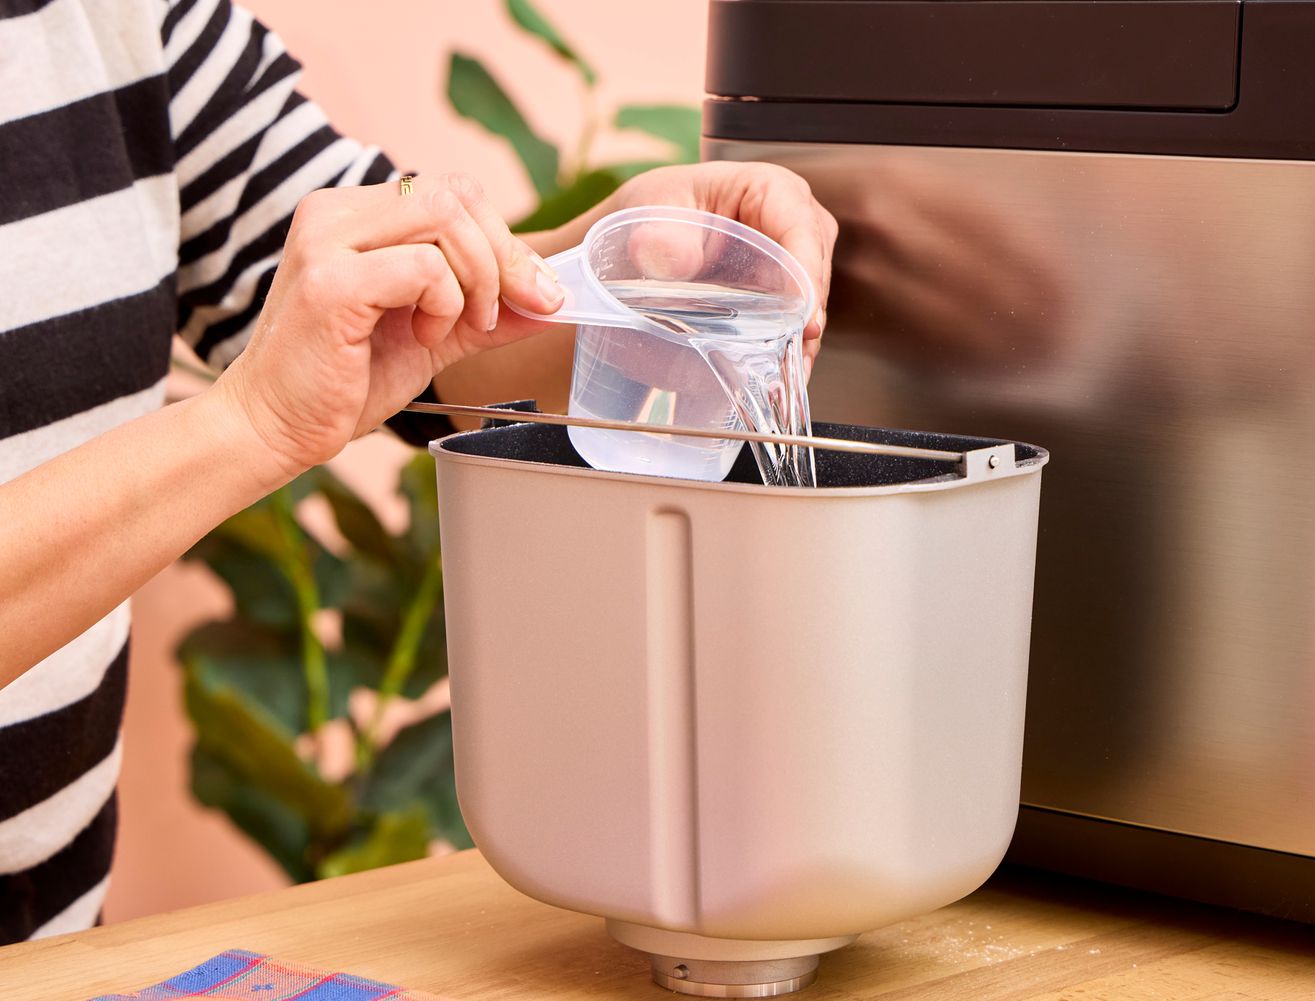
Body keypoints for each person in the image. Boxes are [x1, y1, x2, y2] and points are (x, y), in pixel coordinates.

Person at [0, 0, 837, 943]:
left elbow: (397, 321)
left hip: (52, 941)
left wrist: (622, 264)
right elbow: (290, 385)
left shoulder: (123, 20)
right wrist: (252, 423)